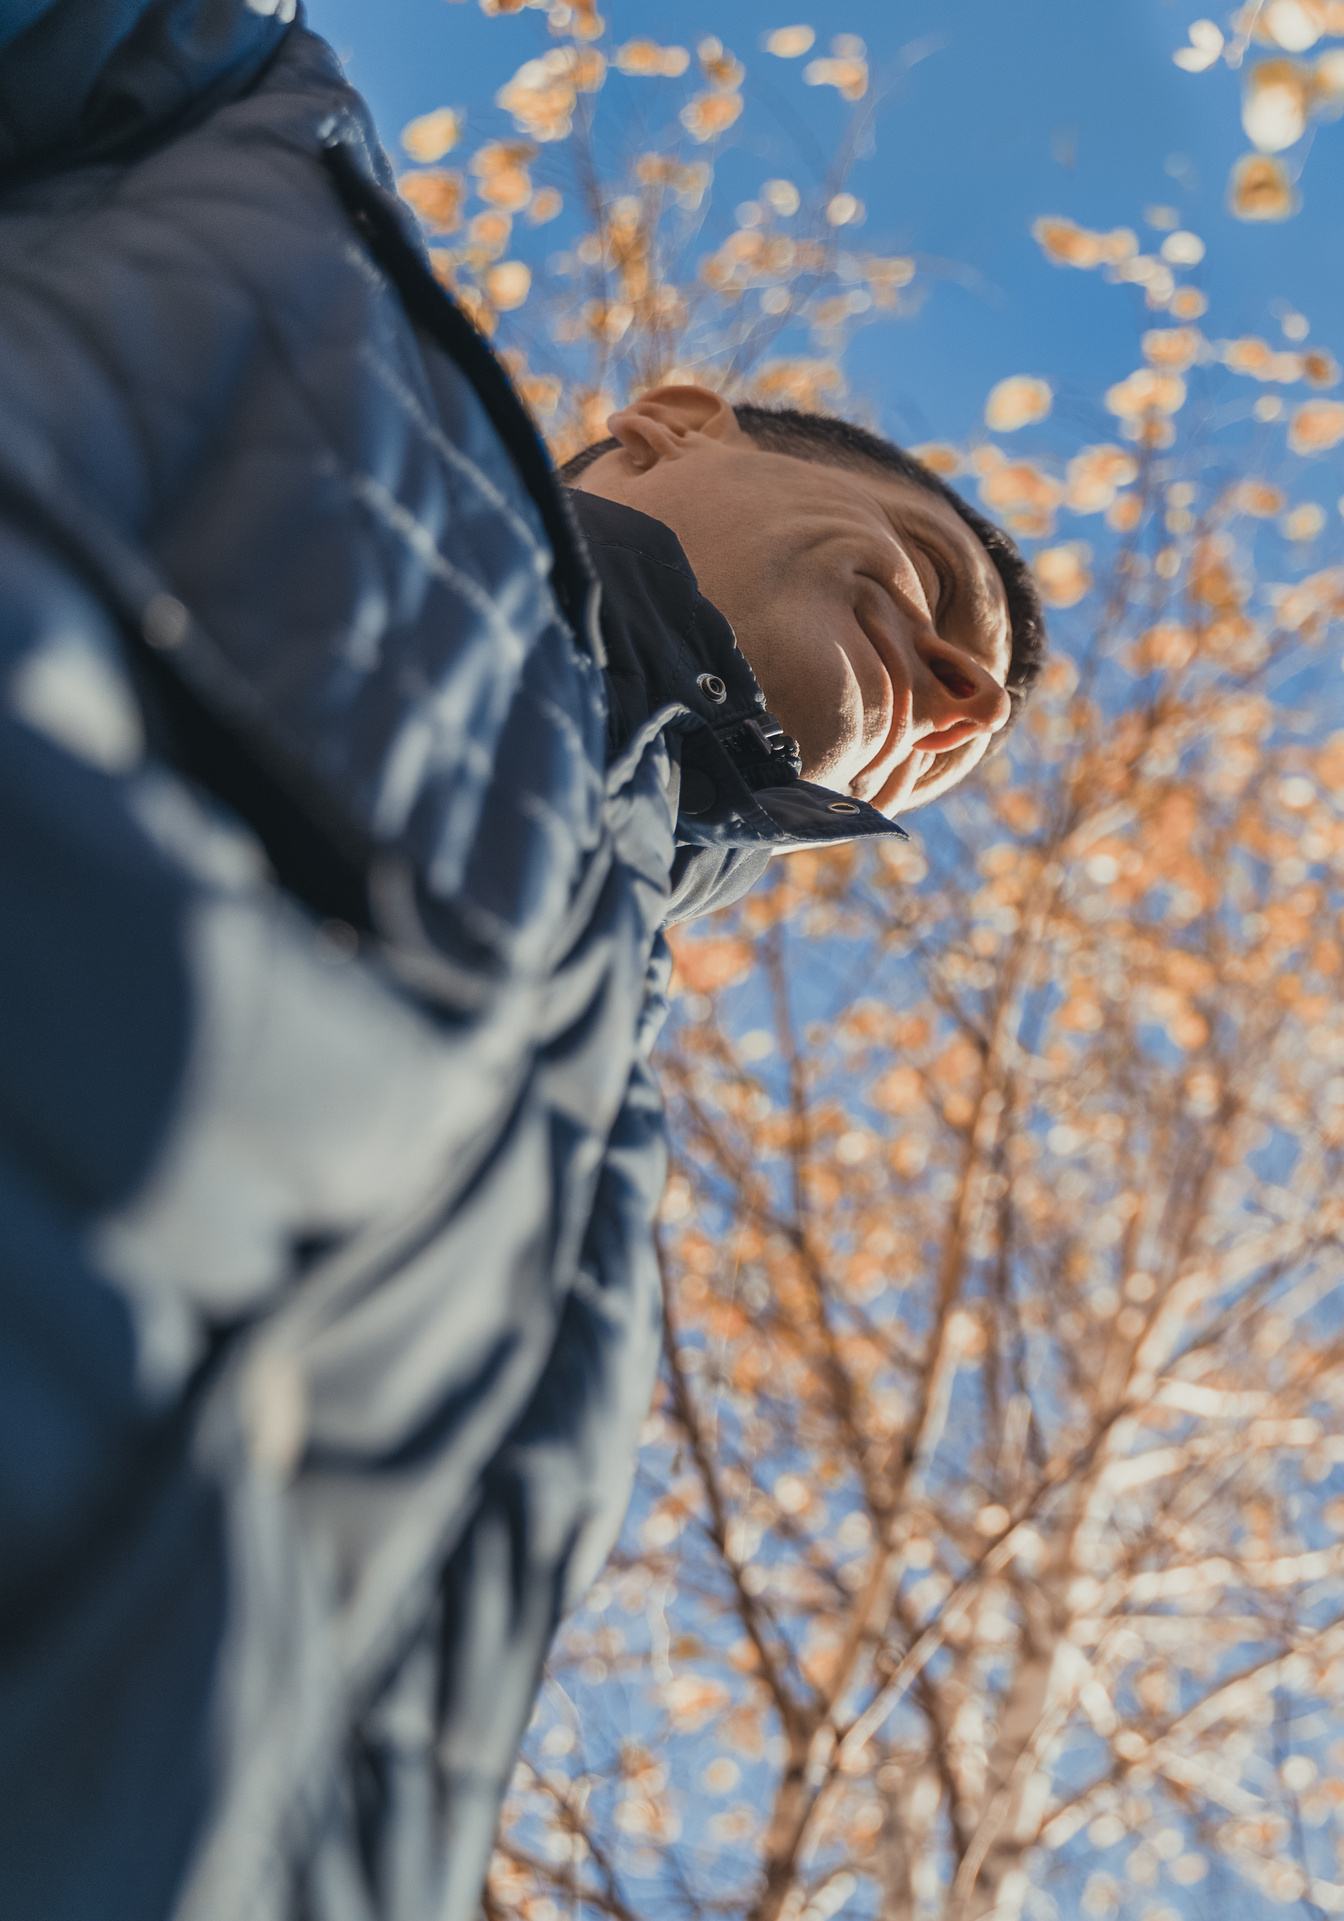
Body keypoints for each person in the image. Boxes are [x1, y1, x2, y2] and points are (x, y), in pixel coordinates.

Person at [0, 4, 1043, 1917]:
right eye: (931, 578)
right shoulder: (266, 189)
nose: (959, 699)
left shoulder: (590, 1149)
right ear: (670, 424)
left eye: (964, 743)